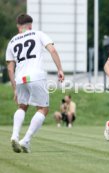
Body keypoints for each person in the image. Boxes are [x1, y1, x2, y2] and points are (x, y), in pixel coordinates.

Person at [6, 14, 64, 153]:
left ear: (18, 27)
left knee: (22, 106)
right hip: (36, 76)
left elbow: (10, 68)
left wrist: (15, 88)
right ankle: (25, 140)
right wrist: (60, 69)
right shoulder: (38, 34)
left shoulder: (12, 41)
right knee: (43, 108)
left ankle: (14, 135)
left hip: (20, 78)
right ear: (30, 26)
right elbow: (53, 50)